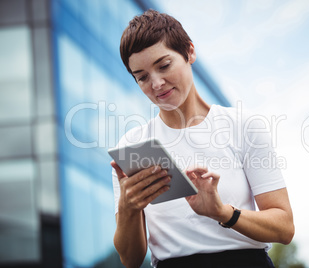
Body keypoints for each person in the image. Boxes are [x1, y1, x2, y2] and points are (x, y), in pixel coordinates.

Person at [111, 9, 294, 268]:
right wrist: (129, 208)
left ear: (189, 52)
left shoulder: (243, 126)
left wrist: (222, 212)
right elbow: (130, 260)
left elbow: (284, 228)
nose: (157, 83)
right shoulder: (134, 146)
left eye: (163, 66)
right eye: (142, 77)